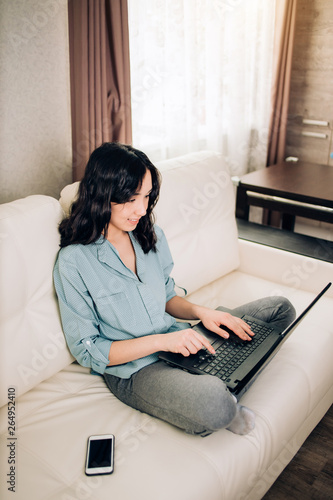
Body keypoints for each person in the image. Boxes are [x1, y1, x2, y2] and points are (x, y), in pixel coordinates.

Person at [53, 142, 296, 437]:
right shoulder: (75, 261)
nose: (142, 210)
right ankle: (221, 393)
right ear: (103, 194)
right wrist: (162, 343)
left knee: (280, 309)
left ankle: (221, 380)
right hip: (136, 370)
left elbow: (167, 296)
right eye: (131, 198)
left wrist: (202, 313)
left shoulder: (148, 235)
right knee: (215, 404)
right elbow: (88, 351)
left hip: (179, 340)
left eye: (146, 196)